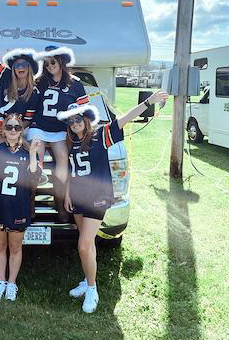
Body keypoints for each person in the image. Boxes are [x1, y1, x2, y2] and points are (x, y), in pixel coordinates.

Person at [58, 90, 169, 313]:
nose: (75, 123)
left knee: (83, 245)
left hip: (97, 198)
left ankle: (92, 289)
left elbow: (126, 118)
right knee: (86, 245)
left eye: (78, 119)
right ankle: (88, 280)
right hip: (78, 197)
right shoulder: (70, 142)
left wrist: (148, 101)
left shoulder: (101, 135)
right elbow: (70, 171)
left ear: (87, 119)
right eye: (71, 121)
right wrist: (68, 193)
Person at [0, 113, 41, 301]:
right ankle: (1, 281)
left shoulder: (27, 152)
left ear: (22, 130)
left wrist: (32, 153)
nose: (13, 130)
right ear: (3, 131)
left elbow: (34, 176)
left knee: (15, 247)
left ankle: (12, 282)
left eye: (17, 127)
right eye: (9, 127)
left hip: (18, 206)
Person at [30, 46, 89, 222]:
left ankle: (60, 203)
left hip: (60, 130)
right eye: (46, 63)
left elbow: (84, 110)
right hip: (39, 127)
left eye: (53, 62)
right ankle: (30, 204)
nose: (49, 66)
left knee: (63, 159)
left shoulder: (75, 83)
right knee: (36, 160)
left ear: (61, 62)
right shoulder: (39, 81)